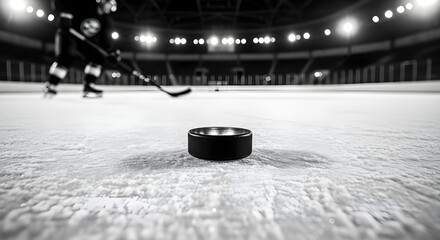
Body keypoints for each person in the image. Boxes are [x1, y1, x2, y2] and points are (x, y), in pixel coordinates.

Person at [44, 0, 120, 98]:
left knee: (97, 56)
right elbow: (64, 3)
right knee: (66, 57)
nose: (111, 8)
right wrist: (65, 14)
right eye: (110, 4)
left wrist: (110, 51)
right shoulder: (85, 5)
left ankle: (89, 86)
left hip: (83, 40)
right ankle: (50, 85)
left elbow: (105, 38)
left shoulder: (106, 20)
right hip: (69, 32)